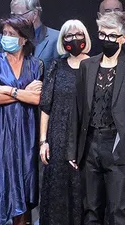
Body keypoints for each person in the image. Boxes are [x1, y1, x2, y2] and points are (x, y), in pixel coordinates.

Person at [77, 12, 125, 225]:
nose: (106, 40)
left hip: (116, 143)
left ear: (123, 38)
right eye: (102, 34)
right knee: (90, 209)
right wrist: (76, 148)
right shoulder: (87, 66)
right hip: (90, 143)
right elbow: (78, 108)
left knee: (119, 210)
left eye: (111, 36)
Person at [0, 16, 44, 225]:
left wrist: (9, 89)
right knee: (3, 180)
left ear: (24, 39)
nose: (6, 38)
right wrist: (22, 93)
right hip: (1, 130)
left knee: (26, 178)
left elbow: (36, 98)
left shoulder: (35, 64)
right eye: (4, 34)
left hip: (27, 132)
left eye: (12, 34)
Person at [40, 21, 93, 225]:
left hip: (85, 137)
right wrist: (43, 141)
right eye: (68, 36)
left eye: (78, 34)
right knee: (57, 192)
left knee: (83, 190)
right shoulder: (56, 65)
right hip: (58, 136)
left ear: (85, 37)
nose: (74, 39)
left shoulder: (95, 64)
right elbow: (46, 106)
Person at [0, 0, 62, 68]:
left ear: (34, 15)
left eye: (18, 15)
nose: (14, 19)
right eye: (12, 15)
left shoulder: (57, 39)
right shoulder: (4, 39)